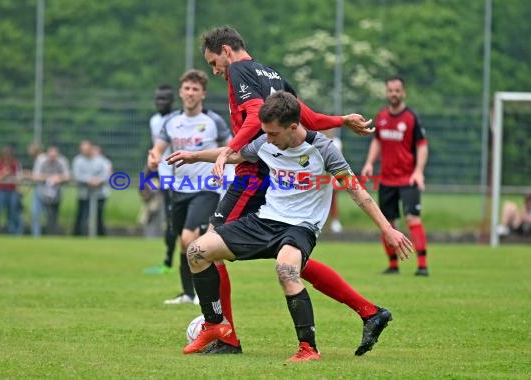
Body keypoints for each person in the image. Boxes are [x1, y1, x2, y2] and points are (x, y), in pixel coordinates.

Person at [170, 25, 378, 354]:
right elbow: (304, 115)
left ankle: (225, 336)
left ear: (226, 50)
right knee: (292, 262)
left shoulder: (238, 69)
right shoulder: (270, 73)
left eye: (213, 63)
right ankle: (370, 312)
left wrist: (227, 150)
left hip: (254, 171)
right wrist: (341, 120)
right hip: (269, 165)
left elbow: (254, 117)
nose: (215, 71)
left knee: (209, 245)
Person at [178, 91, 413, 361]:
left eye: (273, 133)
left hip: (300, 227)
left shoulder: (323, 149)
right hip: (265, 220)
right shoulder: (266, 141)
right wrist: (194, 156)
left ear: (293, 127)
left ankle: (308, 349)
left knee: (286, 270)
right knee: (196, 251)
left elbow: (357, 191)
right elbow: (233, 155)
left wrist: (387, 229)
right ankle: (215, 324)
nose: (267, 139)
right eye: (265, 132)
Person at [148, 69, 231, 304]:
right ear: (181, 92)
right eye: (187, 88)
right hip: (179, 189)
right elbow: (158, 149)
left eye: (196, 89)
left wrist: (225, 166)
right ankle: (188, 293)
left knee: (188, 237)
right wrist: (153, 158)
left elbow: (231, 148)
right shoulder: (171, 122)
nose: (191, 93)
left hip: (206, 189)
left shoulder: (213, 121)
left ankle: (205, 294)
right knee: (183, 243)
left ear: (203, 94)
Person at [361, 75, 430, 276]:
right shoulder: (381, 116)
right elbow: (377, 141)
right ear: (386, 92)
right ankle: (393, 265)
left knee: (412, 219)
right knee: (388, 223)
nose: (394, 94)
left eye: (397, 90)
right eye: (390, 90)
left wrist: (418, 171)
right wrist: (369, 163)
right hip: (387, 179)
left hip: (408, 179)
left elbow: (422, 145)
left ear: (403, 92)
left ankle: (423, 265)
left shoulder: (411, 117)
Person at [143, 85, 178, 274]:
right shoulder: (154, 121)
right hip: (166, 178)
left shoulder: (178, 119)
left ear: (172, 101)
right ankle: (167, 261)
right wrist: (145, 178)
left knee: (182, 223)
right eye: (158, 99)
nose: (160, 103)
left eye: (164, 99)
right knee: (170, 221)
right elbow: (154, 148)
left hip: (183, 178)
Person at [72, 140, 110, 236]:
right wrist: (89, 180)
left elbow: (106, 174)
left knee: (98, 217)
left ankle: (100, 237)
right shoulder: (78, 161)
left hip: (99, 194)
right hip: (84, 194)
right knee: (81, 217)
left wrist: (98, 180)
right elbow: (77, 175)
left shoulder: (100, 161)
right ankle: (78, 236)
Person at [32, 146, 70, 235]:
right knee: (35, 214)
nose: (52, 158)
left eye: (54, 156)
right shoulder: (41, 160)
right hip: (40, 192)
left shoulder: (62, 162)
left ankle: (51, 235)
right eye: (51, 156)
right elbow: (35, 176)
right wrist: (50, 177)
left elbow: (67, 177)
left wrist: (58, 178)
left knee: (52, 217)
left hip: (56, 194)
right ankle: (35, 236)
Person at [0, 145, 22, 234]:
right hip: (0, 190)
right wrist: (3, 175)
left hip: (12, 190)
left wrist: (10, 175)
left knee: (12, 212)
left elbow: (19, 178)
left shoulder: (15, 163)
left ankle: (12, 232)